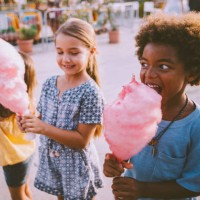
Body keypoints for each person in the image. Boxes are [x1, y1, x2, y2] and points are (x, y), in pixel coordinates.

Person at [103, 12, 200, 200]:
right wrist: (114, 162)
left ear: (190, 72)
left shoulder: (195, 126)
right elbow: (125, 156)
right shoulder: (132, 111)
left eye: (163, 66)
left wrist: (143, 190)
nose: (149, 74)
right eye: (144, 63)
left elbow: (194, 184)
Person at [18, 18, 104, 200]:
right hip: (54, 162)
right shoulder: (50, 83)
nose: (65, 59)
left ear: (91, 52)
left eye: (74, 52)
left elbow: (81, 140)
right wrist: (28, 123)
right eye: (60, 52)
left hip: (76, 167)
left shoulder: (90, 92)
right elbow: (40, 118)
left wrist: (43, 128)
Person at [0, 51, 37, 200]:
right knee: (25, 190)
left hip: (14, 160)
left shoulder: (5, 111)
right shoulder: (28, 102)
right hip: (27, 152)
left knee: (18, 196)